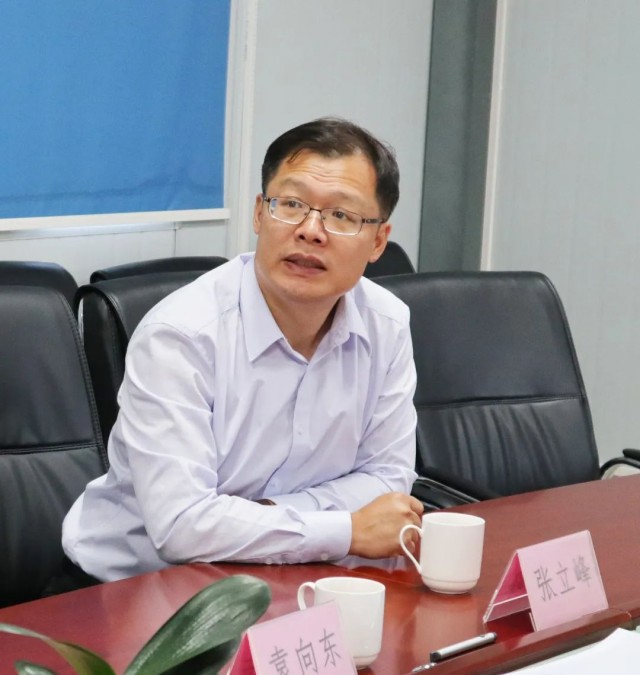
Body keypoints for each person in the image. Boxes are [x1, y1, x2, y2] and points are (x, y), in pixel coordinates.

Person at [62, 117, 424, 582]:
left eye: (341, 215)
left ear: (378, 241)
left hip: (293, 576)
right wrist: (345, 529)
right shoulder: (182, 335)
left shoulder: (387, 324)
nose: (311, 230)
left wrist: (258, 518)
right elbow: (183, 527)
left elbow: (389, 481)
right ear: (259, 214)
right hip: (132, 587)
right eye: (291, 204)